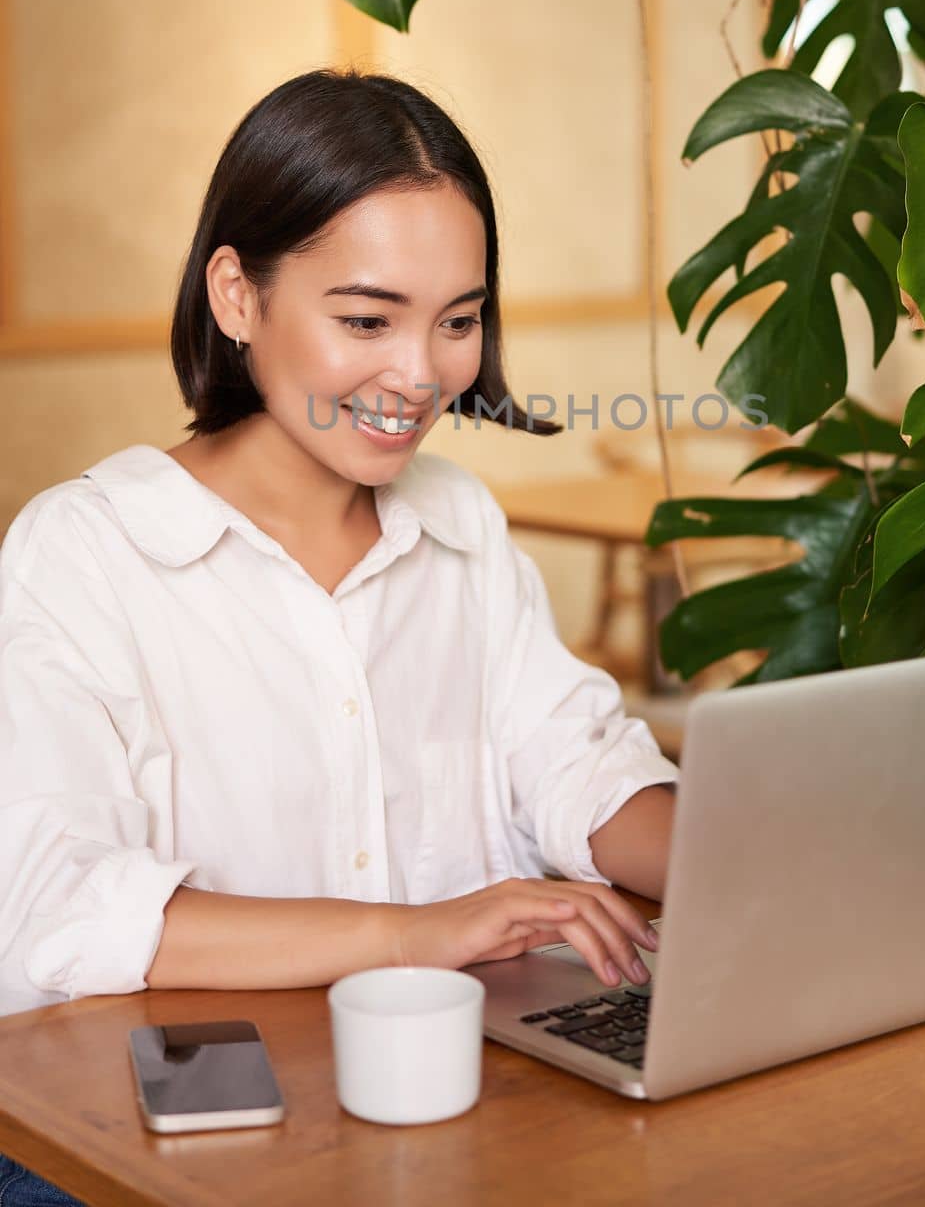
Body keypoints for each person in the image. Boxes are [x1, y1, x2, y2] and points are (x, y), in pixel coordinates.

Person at [0, 69, 679, 1204]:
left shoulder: (457, 519)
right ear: (236, 295)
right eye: (366, 319)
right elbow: (61, 915)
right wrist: (421, 931)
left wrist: (755, 872)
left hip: (443, 1114)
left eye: (457, 320)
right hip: (168, 1135)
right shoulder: (84, 551)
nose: (418, 375)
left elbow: (577, 768)